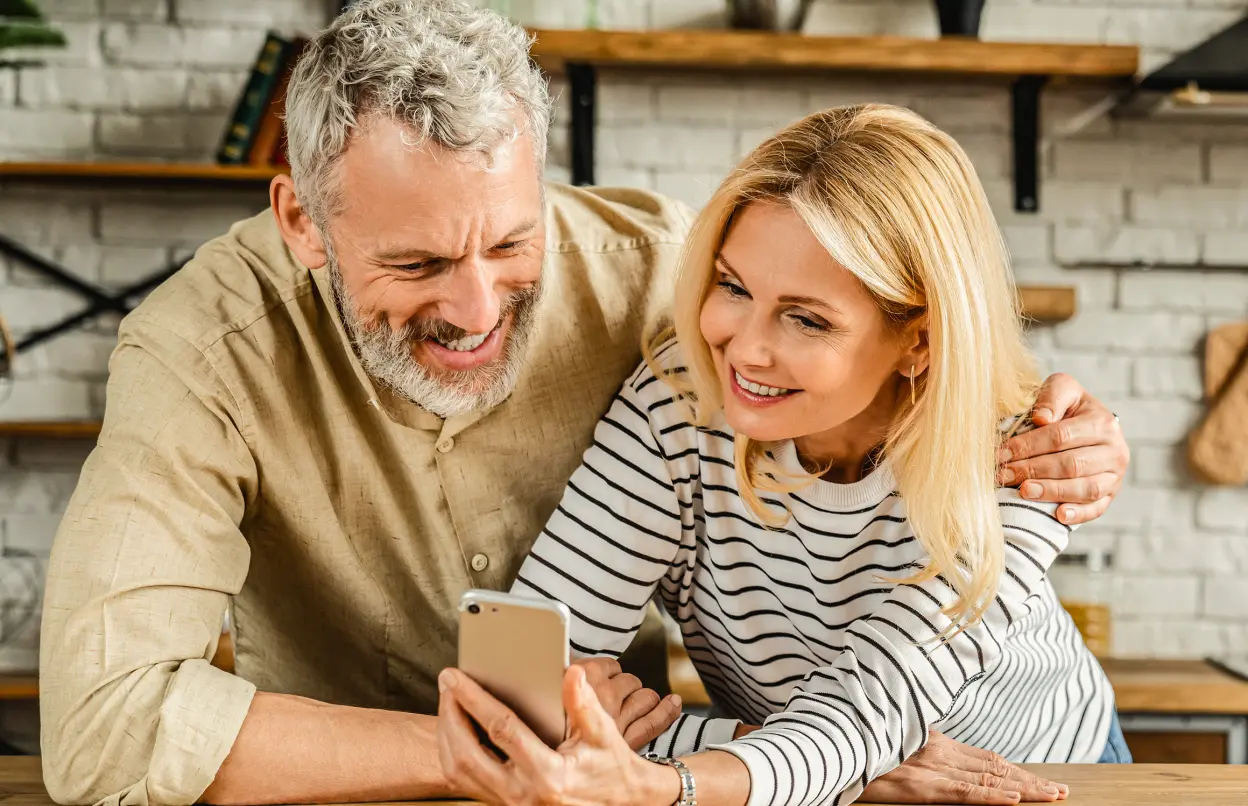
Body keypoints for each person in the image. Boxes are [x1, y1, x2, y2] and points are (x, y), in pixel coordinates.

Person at [38, 2, 1129, 805]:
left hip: (1031, 778)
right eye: (416, 260)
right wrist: (561, 749)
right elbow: (105, 728)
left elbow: (870, 692)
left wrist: (1082, 446)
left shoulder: (667, 287)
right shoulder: (203, 350)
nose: (475, 307)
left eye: (514, 241)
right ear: (303, 222)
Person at [435, 104, 1129, 806]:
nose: (744, 348)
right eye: (733, 287)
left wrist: (659, 776)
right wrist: (818, 764)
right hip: (788, 782)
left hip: (1044, 779)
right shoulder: (679, 400)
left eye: (806, 318)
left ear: (918, 340)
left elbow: (867, 710)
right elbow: (520, 687)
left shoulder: (1017, 458)